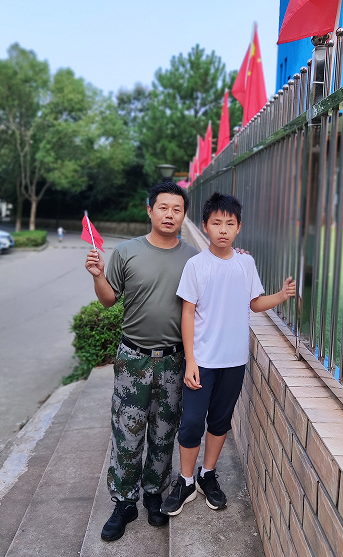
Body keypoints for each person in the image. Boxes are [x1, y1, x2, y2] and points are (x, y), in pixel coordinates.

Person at [160, 192, 295, 516]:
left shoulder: (245, 263)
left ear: (239, 227)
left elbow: (254, 303)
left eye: (230, 223)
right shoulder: (196, 265)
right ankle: (186, 481)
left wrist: (281, 295)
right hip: (202, 362)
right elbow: (187, 313)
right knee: (192, 423)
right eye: (216, 223)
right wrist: (191, 361)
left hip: (234, 361)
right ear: (205, 225)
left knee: (220, 421)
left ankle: (207, 475)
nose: (223, 229)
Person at [85, 182, 198, 541]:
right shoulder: (126, 252)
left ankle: (153, 494)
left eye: (177, 209)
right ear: (150, 210)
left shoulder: (193, 257)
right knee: (127, 432)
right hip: (133, 359)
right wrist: (98, 276)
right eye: (163, 207)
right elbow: (108, 300)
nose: (169, 214)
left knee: (164, 432)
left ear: (183, 215)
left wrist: (236, 257)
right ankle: (124, 502)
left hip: (174, 360)